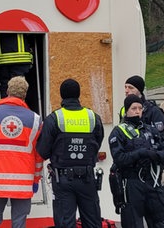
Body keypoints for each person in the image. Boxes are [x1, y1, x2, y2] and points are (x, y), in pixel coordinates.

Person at [0, 76, 43, 228]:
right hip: (23, 183)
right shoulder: (35, 120)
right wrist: (36, 179)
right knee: (19, 222)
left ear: (7, 91)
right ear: (24, 95)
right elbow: (38, 155)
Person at [36, 79, 104, 228]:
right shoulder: (93, 117)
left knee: (65, 223)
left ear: (61, 96)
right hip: (88, 178)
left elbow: (43, 151)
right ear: (79, 95)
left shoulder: (55, 118)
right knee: (92, 222)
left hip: (63, 179)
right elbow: (97, 143)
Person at [110, 95, 164, 228]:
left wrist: (154, 155)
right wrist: (140, 153)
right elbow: (119, 159)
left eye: (139, 108)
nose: (137, 111)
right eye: (133, 108)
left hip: (153, 182)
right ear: (126, 111)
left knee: (161, 222)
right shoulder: (118, 132)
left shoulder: (151, 129)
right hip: (131, 183)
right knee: (133, 223)